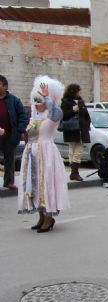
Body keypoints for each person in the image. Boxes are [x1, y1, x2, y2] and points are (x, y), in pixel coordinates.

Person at [17, 76, 69, 232]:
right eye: (36, 100)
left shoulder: (53, 116)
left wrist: (47, 96)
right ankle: (41, 217)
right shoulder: (35, 117)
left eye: (40, 100)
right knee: (34, 185)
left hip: (46, 154)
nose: (37, 103)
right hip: (32, 154)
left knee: (45, 184)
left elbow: (57, 111)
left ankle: (49, 218)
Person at [0, 74, 28, 190]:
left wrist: (20, 130)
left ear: (5, 86)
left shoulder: (14, 100)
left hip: (10, 135)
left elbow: (22, 116)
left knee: (10, 159)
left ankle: (9, 182)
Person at [60, 83, 91, 182]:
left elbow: (86, 115)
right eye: (78, 90)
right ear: (73, 91)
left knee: (78, 152)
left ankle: (75, 173)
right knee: (72, 151)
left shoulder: (81, 102)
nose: (80, 92)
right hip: (71, 130)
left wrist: (87, 124)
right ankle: (74, 173)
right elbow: (63, 116)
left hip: (81, 131)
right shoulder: (65, 102)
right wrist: (72, 110)